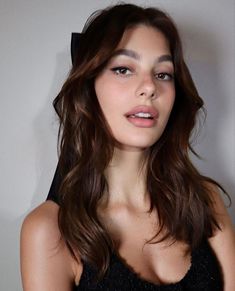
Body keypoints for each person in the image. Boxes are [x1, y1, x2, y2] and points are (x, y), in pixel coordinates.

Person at [20, 3, 235, 290]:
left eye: (163, 74)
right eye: (123, 69)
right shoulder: (50, 230)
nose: (149, 87)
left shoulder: (204, 201)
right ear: (88, 87)